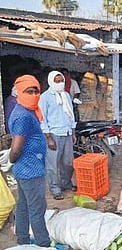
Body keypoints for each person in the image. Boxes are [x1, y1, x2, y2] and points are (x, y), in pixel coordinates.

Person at [1, 75, 50, 247]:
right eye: (29, 91)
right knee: (37, 209)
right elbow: (17, 147)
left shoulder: (28, 109)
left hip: (26, 168)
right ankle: (44, 244)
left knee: (23, 206)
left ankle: (23, 239)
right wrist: (12, 159)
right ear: (20, 92)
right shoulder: (23, 115)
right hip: (30, 169)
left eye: (36, 90)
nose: (34, 94)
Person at [39, 70, 77, 200]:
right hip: (53, 134)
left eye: (62, 81)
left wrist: (73, 132)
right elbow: (42, 118)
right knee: (52, 164)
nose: (60, 83)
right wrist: (48, 138)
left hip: (66, 132)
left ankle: (66, 183)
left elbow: (71, 114)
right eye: (57, 81)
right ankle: (55, 188)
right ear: (51, 81)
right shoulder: (45, 97)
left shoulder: (66, 95)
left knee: (68, 162)